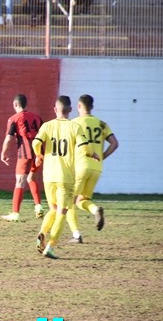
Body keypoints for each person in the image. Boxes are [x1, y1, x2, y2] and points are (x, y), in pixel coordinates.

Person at [33, 95, 93, 259]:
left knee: (52, 209)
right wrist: (91, 154)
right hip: (65, 177)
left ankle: (42, 233)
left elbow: (35, 143)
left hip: (48, 176)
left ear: (55, 109)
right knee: (62, 212)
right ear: (71, 110)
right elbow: (84, 147)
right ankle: (50, 247)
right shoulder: (75, 127)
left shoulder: (47, 126)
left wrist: (38, 155)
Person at [66, 94, 119, 243]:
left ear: (78, 106)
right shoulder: (101, 124)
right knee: (81, 200)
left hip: (80, 167)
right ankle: (95, 210)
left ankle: (76, 235)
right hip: (96, 168)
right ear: (92, 107)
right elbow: (115, 143)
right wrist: (101, 156)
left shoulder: (74, 123)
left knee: (69, 202)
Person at [0, 94, 44, 222]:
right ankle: (38, 207)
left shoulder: (14, 119)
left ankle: (15, 213)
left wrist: (4, 153)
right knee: (32, 178)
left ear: (15, 104)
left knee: (20, 181)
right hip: (39, 152)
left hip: (25, 153)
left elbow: (9, 138)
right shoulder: (37, 117)